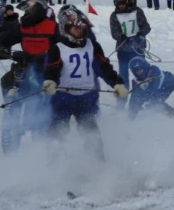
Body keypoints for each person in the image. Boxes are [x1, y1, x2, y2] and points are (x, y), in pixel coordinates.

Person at [43, 9, 128, 161]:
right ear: (66, 28)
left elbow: (104, 67)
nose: (80, 31)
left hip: (86, 98)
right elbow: (52, 68)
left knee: (91, 133)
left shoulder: (92, 46)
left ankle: (97, 165)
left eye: (82, 28)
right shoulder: (57, 48)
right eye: (76, 28)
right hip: (63, 97)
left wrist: (117, 83)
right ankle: (53, 166)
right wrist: (50, 81)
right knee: (57, 132)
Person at [0, 0, 61, 150]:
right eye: (26, 10)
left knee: (51, 93)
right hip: (26, 65)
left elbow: (62, 45)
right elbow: (9, 36)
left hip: (46, 67)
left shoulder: (52, 26)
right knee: (7, 81)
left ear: (38, 10)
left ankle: (49, 128)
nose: (26, 13)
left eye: (29, 9)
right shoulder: (22, 26)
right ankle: (12, 114)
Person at [109, 0, 151, 109]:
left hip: (138, 49)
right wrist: (121, 37)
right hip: (123, 50)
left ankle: (143, 102)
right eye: (119, 3)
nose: (121, 5)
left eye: (123, 3)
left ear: (127, 2)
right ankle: (121, 104)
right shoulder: (114, 16)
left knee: (142, 77)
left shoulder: (137, 11)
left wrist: (140, 35)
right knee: (123, 77)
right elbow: (114, 32)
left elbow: (146, 27)